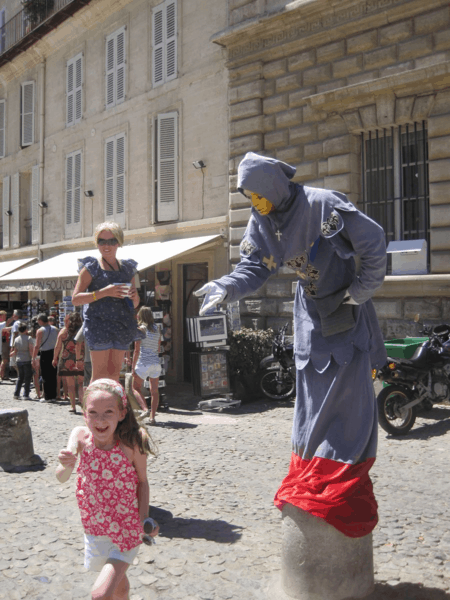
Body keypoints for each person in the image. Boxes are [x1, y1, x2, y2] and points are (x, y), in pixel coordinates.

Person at [195, 152, 387, 539]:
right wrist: (224, 286)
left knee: (346, 397)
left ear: (274, 186)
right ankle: (311, 470)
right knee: (311, 398)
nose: (256, 203)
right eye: (249, 197)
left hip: (345, 311)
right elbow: (254, 268)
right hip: (310, 313)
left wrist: (361, 290)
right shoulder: (262, 219)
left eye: (258, 194)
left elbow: (374, 240)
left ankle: (338, 473)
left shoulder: (323, 204)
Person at [56, 379, 159, 600]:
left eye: (108, 412)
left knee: (100, 594)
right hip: (95, 528)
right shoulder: (81, 437)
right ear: (84, 414)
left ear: (122, 413)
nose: (100, 420)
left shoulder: (132, 443)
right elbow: (61, 477)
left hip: (126, 529)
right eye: (93, 412)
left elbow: (142, 482)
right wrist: (66, 464)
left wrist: (144, 519)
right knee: (118, 587)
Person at [71, 222, 143, 383]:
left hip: (121, 325)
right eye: (102, 241)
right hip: (99, 326)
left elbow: (136, 303)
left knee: (114, 377)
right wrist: (104, 292)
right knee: (98, 377)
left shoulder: (127, 268)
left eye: (112, 241)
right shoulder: (91, 268)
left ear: (119, 242)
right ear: (97, 243)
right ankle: (91, 409)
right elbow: (75, 299)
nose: (107, 245)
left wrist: (134, 295)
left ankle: (112, 408)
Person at [131, 307, 161, 424]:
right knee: (154, 391)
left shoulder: (140, 329)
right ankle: (152, 417)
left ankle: (145, 409)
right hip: (155, 362)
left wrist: (133, 367)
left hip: (143, 362)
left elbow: (136, 350)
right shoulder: (157, 328)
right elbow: (158, 347)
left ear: (141, 316)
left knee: (135, 388)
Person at [53, 312, 84, 413]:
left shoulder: (63, 332)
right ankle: (82, 403)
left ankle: (73, 407)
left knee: (70, 385)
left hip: (67, 360)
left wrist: (55, 358)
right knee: (81, 383)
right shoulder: (82, 331)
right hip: (80, 359)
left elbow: (57, 347)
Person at [32, 313, 59, 403]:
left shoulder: (40, 331)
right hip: (54, 353)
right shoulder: (55, 329)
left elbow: (37, 345)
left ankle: (48, 397)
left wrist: (33, 357)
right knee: (53, 374)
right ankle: (54, 395)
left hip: (45, 353)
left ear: (40, 321)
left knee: (45, 375)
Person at [10, 322, 33, 400]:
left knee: (20, 377)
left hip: (19, 360)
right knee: (27, 378)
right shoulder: (29, 338)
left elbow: (15, 350)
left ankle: (16, 393)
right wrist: (33, 358)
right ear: (26, 330)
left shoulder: (16, 339)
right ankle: (26, 395)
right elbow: (30, 350)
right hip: (27, 359)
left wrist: (12, 354)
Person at [29, 321, 42, 400]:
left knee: (36, 376)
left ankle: (38, 394)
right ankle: (43, 393)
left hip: (35, 357)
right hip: (42, 356)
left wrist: (32, 358)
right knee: (43, 375)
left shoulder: (30, 338)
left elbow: (31, 350)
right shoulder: (41, 336)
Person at [0, 310, 13, 382]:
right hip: (2, 345)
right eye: (4, 316)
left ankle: (3, 375)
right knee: (4, 360)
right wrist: (13, 319)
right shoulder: (2, 324)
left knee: (4, 360)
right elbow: (7, 323)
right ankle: (2, 375)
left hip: (3, 344)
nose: (5, 317)